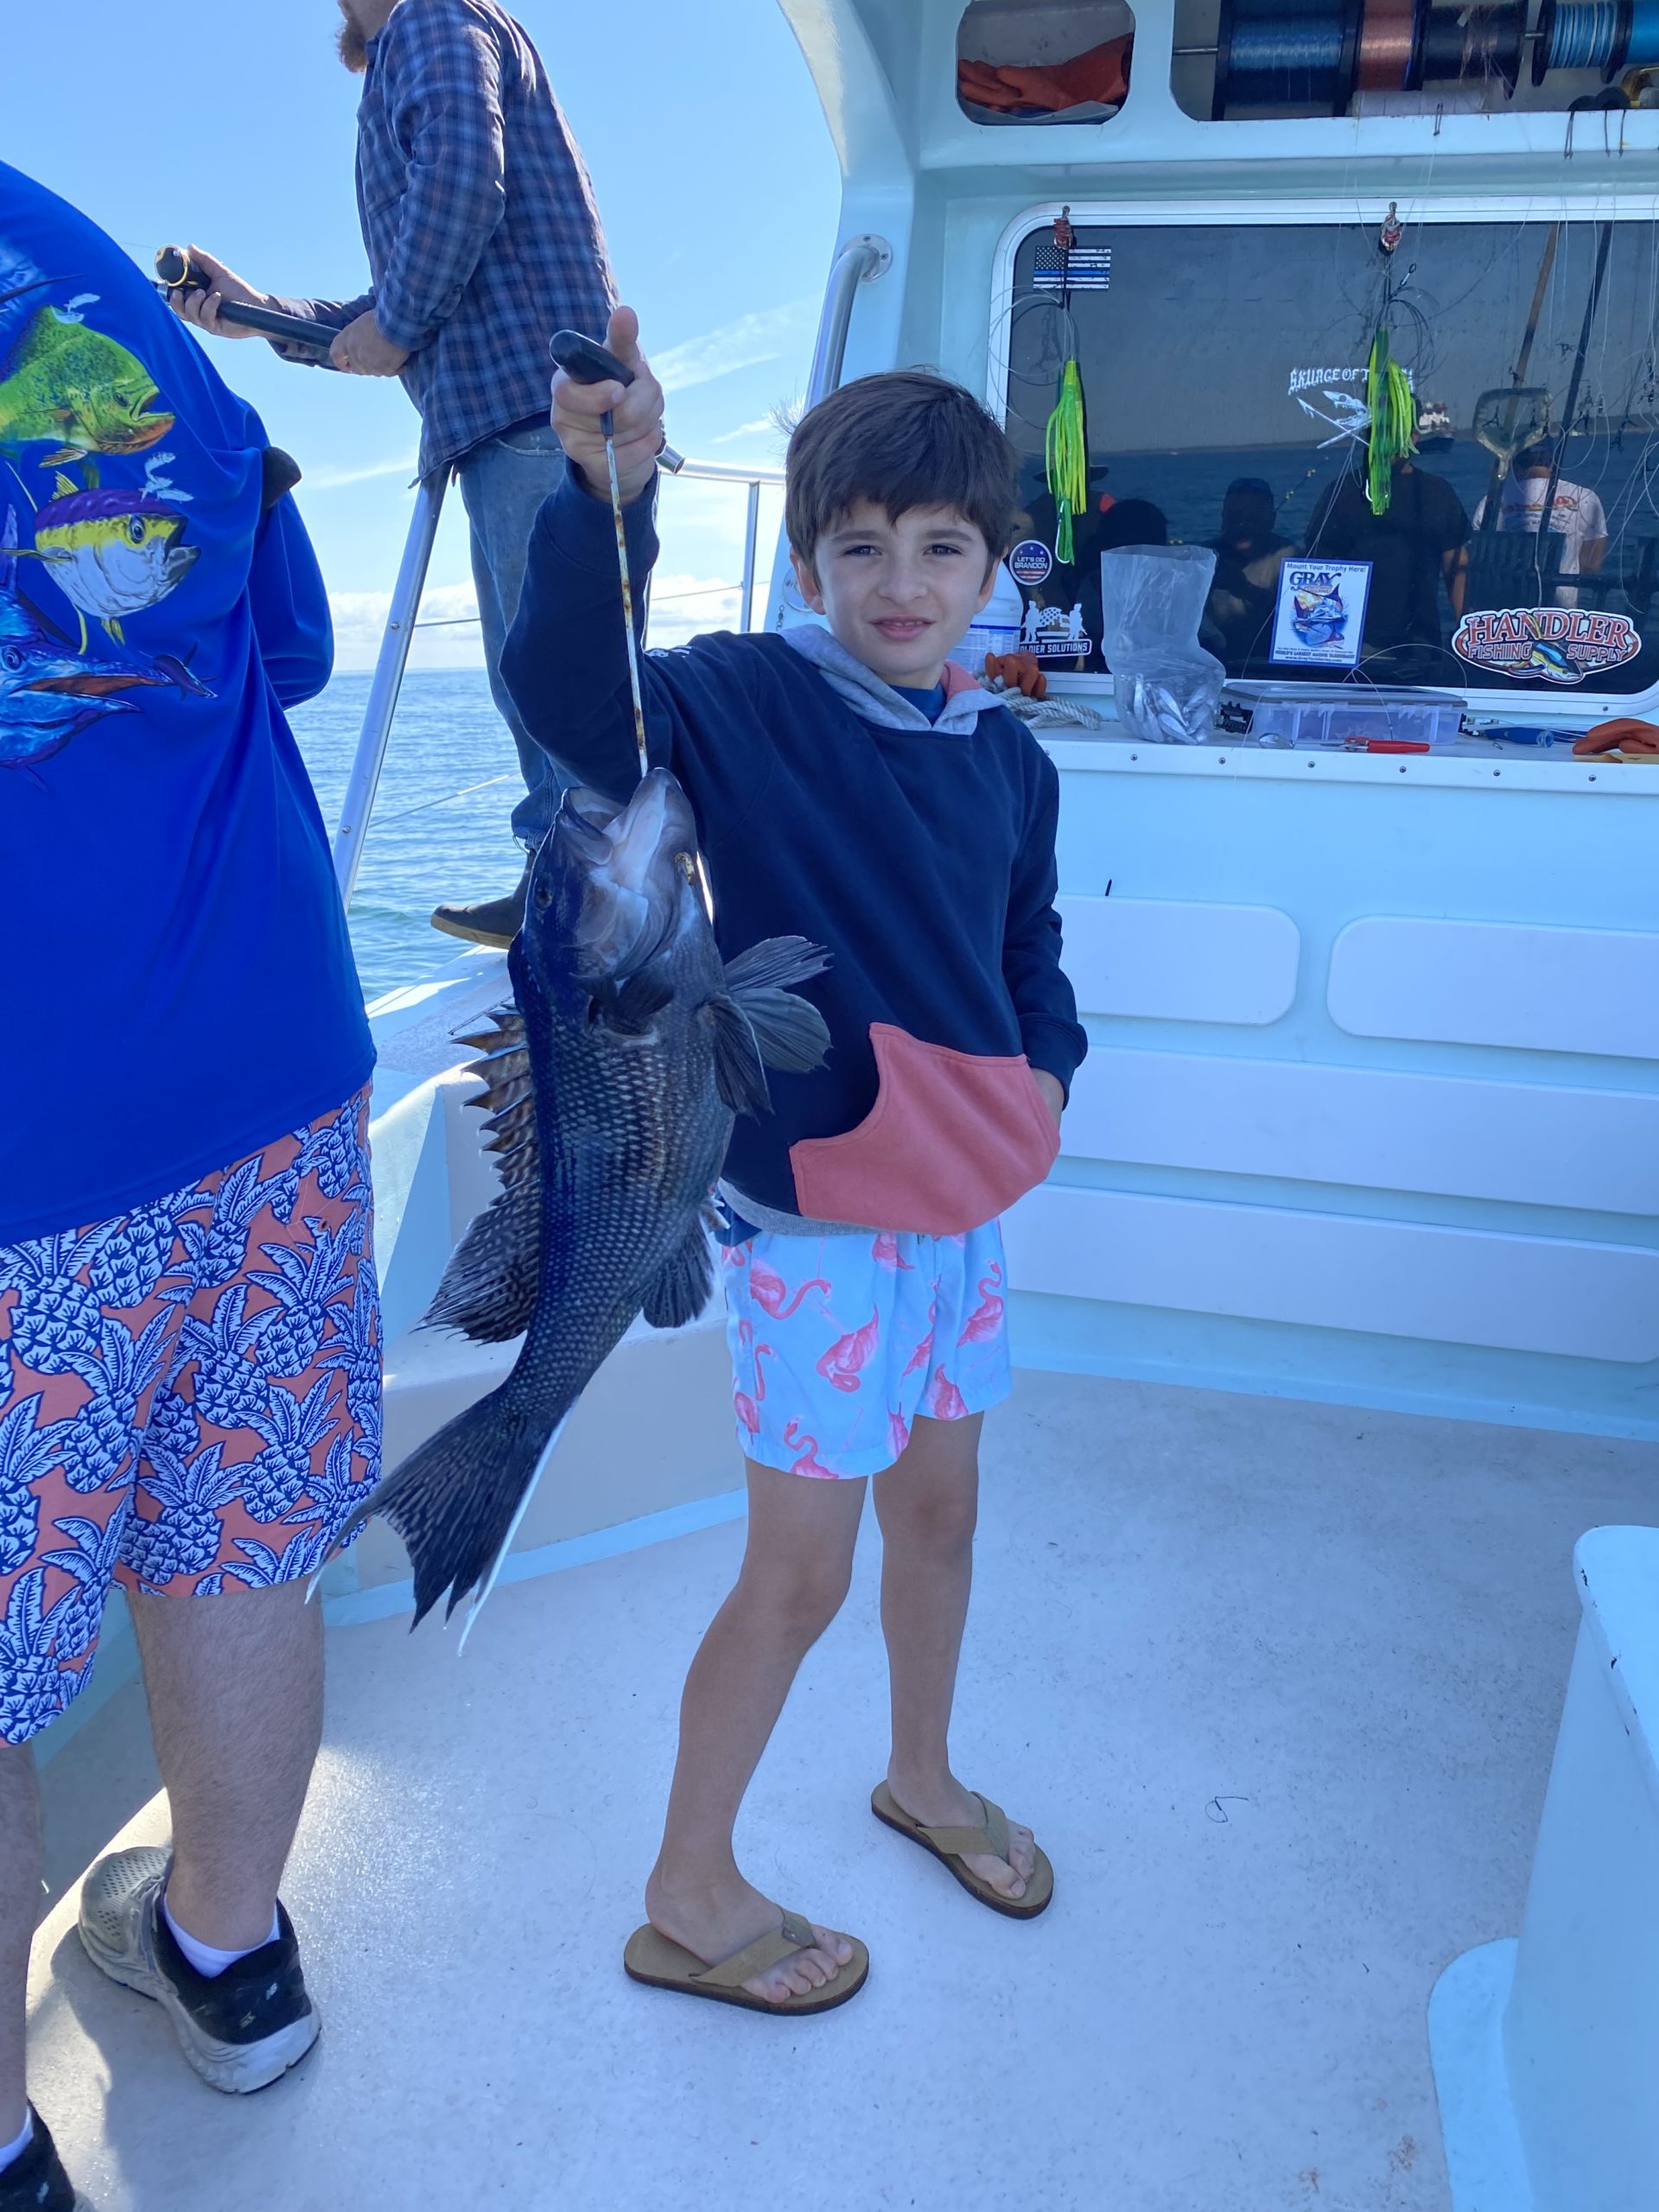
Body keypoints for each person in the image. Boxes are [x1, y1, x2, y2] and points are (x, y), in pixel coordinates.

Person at [502, 308, 1087, 2012]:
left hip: (963, 1211)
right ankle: (687, 1883)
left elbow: (1028, 949)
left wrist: (1051, 1071)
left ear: (993, 561)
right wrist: (602, 501)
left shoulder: (1010, 752)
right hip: (818, 1225)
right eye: (858, 545)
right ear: (807, 556)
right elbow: (573, 702)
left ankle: (920, 1769)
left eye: (939, 545)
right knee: (801, 1567)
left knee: (946, 1510)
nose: (901, 580)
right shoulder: (745, 697)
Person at [0, 165, 379, 2210]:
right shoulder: (79, 278)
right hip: (266, 1072)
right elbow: (284, 638)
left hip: (19, 1150)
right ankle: (230, 1963)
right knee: (235, 1537)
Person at [172, 0, 615, 950]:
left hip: (530, 419)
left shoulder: (431, 17)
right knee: (542, 677)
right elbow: (403, 286)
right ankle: (569, 891)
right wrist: (259, 314)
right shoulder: (428, 36)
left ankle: (594, 914)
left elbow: (459, 186)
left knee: (553, 680)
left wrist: (399, 324)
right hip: (522, 418)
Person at [1304, 443, 1470, 683]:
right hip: (1350, 643)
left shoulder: (1435, 490)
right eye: (1377, 429)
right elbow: (1316, 564)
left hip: (1419, 641)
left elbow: (1456, 563)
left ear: (1413, 435)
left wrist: (1465, 628)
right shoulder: (1342, 490)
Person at [1471, 442, 1609, 608]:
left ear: (1515, 465)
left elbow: (1480, 564)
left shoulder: (1490, 501)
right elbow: (1591, 566)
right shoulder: (1585, 497)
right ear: (1552, 463)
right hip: (1560, 617)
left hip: (1506, 617)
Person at [1205, 477, 1292, 672]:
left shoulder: (1295, 560)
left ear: (1272, 520)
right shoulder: (1202, 560)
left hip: (1273, 675)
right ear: (1223, 518)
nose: (1242, 526)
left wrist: (1244, 589)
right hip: (1213, 674)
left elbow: (1306, 628)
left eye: (1253, 520)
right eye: (1234, 518)